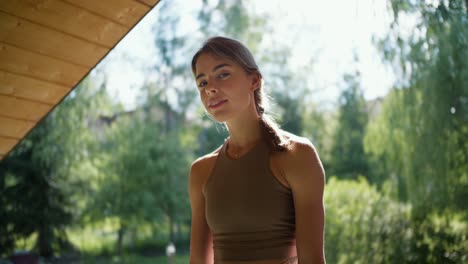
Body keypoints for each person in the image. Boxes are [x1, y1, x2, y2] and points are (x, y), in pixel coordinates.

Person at [188, 36, 326, 264]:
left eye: (222, 74)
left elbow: (312, 260)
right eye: (202, 83)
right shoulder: (201, 171)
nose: (210, 88)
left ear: (254, 81)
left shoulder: (297, 156)